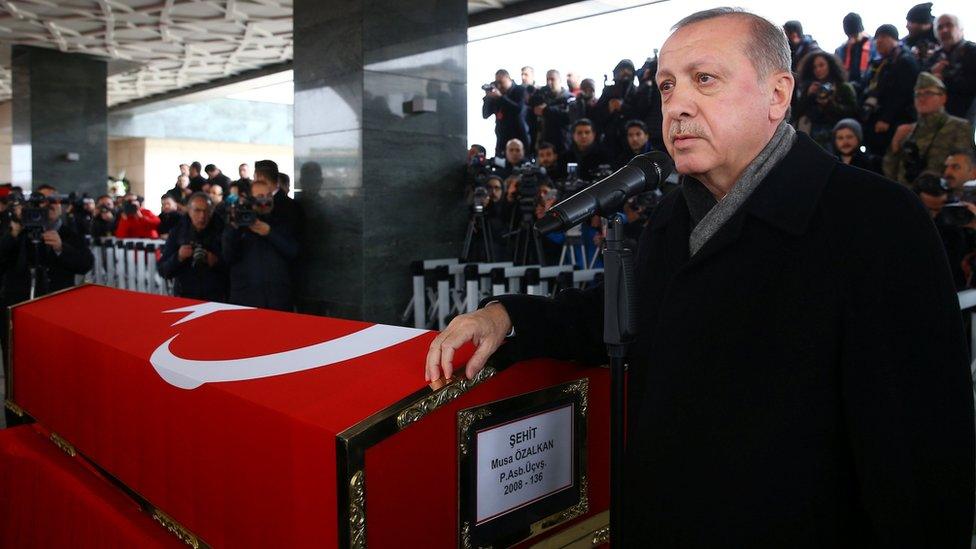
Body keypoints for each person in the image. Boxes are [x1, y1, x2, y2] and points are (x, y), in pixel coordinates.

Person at [426, 7, 974, 547]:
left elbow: (919, 456)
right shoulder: (674, 216)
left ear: (777, 94)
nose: (677, 104)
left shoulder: (875, 221)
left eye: (704, 80)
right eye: (666, 87)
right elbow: (626, 311)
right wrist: (508, 315)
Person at [222, 161, 299, 311]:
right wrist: (235, 228)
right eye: (260, 196)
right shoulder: (238, 224)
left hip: (278, 301)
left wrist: (269, 233)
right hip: (246, 301)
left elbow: (293, 251)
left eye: (268, 195)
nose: (265, 200)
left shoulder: (281, 222)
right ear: (251, 199)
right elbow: (228, 256)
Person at [883, 72, 973, 185]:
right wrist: (895, 145)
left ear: (943, 98)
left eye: (928, 93)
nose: (921, 98)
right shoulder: (908, 130)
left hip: (939, 198)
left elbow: (965, 172)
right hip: (905, 196)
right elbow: (890, 174)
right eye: (918, 94)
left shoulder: (959, 127)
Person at [861, 24, 920, 155]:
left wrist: (886, 118)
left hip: (895, 122)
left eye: (883, 37)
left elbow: (903, 94)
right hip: (878, 117)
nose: (878, 41)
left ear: (894, 39)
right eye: (876, 38)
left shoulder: (905, 60)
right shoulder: (883, 62)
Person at [157, 192, 225, 301]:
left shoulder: (223, 232)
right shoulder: (178, 232)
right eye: (197, 210)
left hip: (216, 299)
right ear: (189, 211)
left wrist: (217, 262)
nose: (202, 216)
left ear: (212, 212)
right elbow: (163, 270)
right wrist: (178, 257)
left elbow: (236, 270)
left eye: (206, 211)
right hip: (185, 297)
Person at [912, 172, 968, 288]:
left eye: (939, 209)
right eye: (929, 210)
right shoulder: (907, 221)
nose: (935, 215)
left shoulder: (955, 220)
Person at [794, 52, 858, 149]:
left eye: (821, 65)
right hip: (812, 136)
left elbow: (853, 113)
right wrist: (808, 96)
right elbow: (796, 114)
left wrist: (830, 104)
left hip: (838, 137)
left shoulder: (843, 87)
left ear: (830, 65)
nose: (818, 70)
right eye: (814, 67)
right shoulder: (809, 87)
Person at [928, 14, 976, 120]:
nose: (944, 30)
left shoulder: (972, 52)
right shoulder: (936, 56)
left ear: (960, 29)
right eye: (940, 27)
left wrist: (944, 79)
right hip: (936, 116)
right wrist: (931, 73)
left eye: (949, 25)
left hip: (963, 117)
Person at [482, 69, 530, 157]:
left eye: (501, 82)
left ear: (508, 78)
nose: (499, 86)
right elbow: (485, 114)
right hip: (502, 138)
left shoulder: (520, 90)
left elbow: (518, 110)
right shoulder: (497, 94)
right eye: (497, 83)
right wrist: (488, 98)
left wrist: (500, 97)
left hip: (519, 136)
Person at [528, 69, 573, 154]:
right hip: (544, 142)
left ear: (559, 80)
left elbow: (568, 116)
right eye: (547, 79)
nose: (549, 82)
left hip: (562, 142)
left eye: (552, 79)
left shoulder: (569, 98)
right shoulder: (542, 97)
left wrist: (546, 111)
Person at [834, 12, 877, 91]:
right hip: (848, 89)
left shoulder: (874, 46)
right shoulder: (841, 50)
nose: (853, 39)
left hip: (867, 88)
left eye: (855, 35)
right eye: (850, 36)